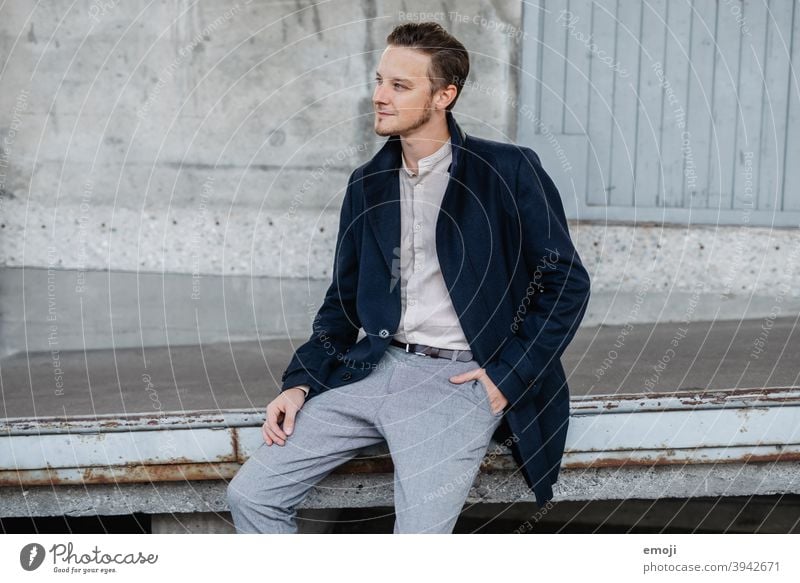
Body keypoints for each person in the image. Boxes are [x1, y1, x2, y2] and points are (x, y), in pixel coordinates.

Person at [227, 21, 591, 534]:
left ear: (445, 95)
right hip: (378, 367)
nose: (379, 96)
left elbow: (566, 284)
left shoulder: (507, 171)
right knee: (252, 495)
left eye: (399, 86)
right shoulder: (367, 184)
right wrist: (300, 383)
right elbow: (342, 301)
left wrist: (505, 377)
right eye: (379, 81)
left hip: (460, 381)